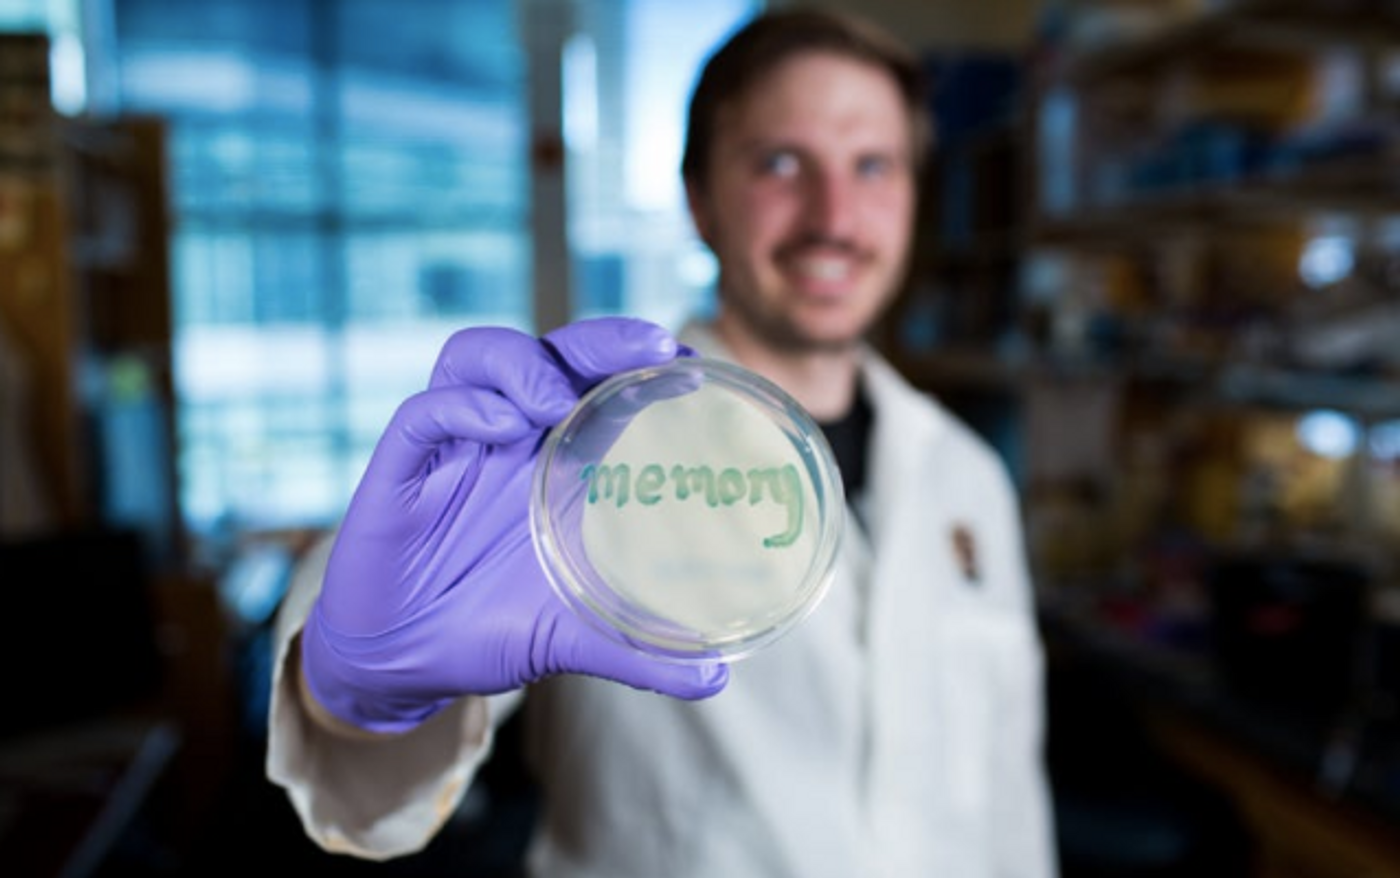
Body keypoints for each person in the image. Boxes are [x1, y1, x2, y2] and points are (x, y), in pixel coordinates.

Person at [266, 7, 1058, 876]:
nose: (835, 215)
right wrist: (358, 690)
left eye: (874, 166)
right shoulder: (586, 448)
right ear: (700, 199)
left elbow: (1011, 808)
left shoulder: (968, 476)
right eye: (780, 162)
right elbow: (366, 766)